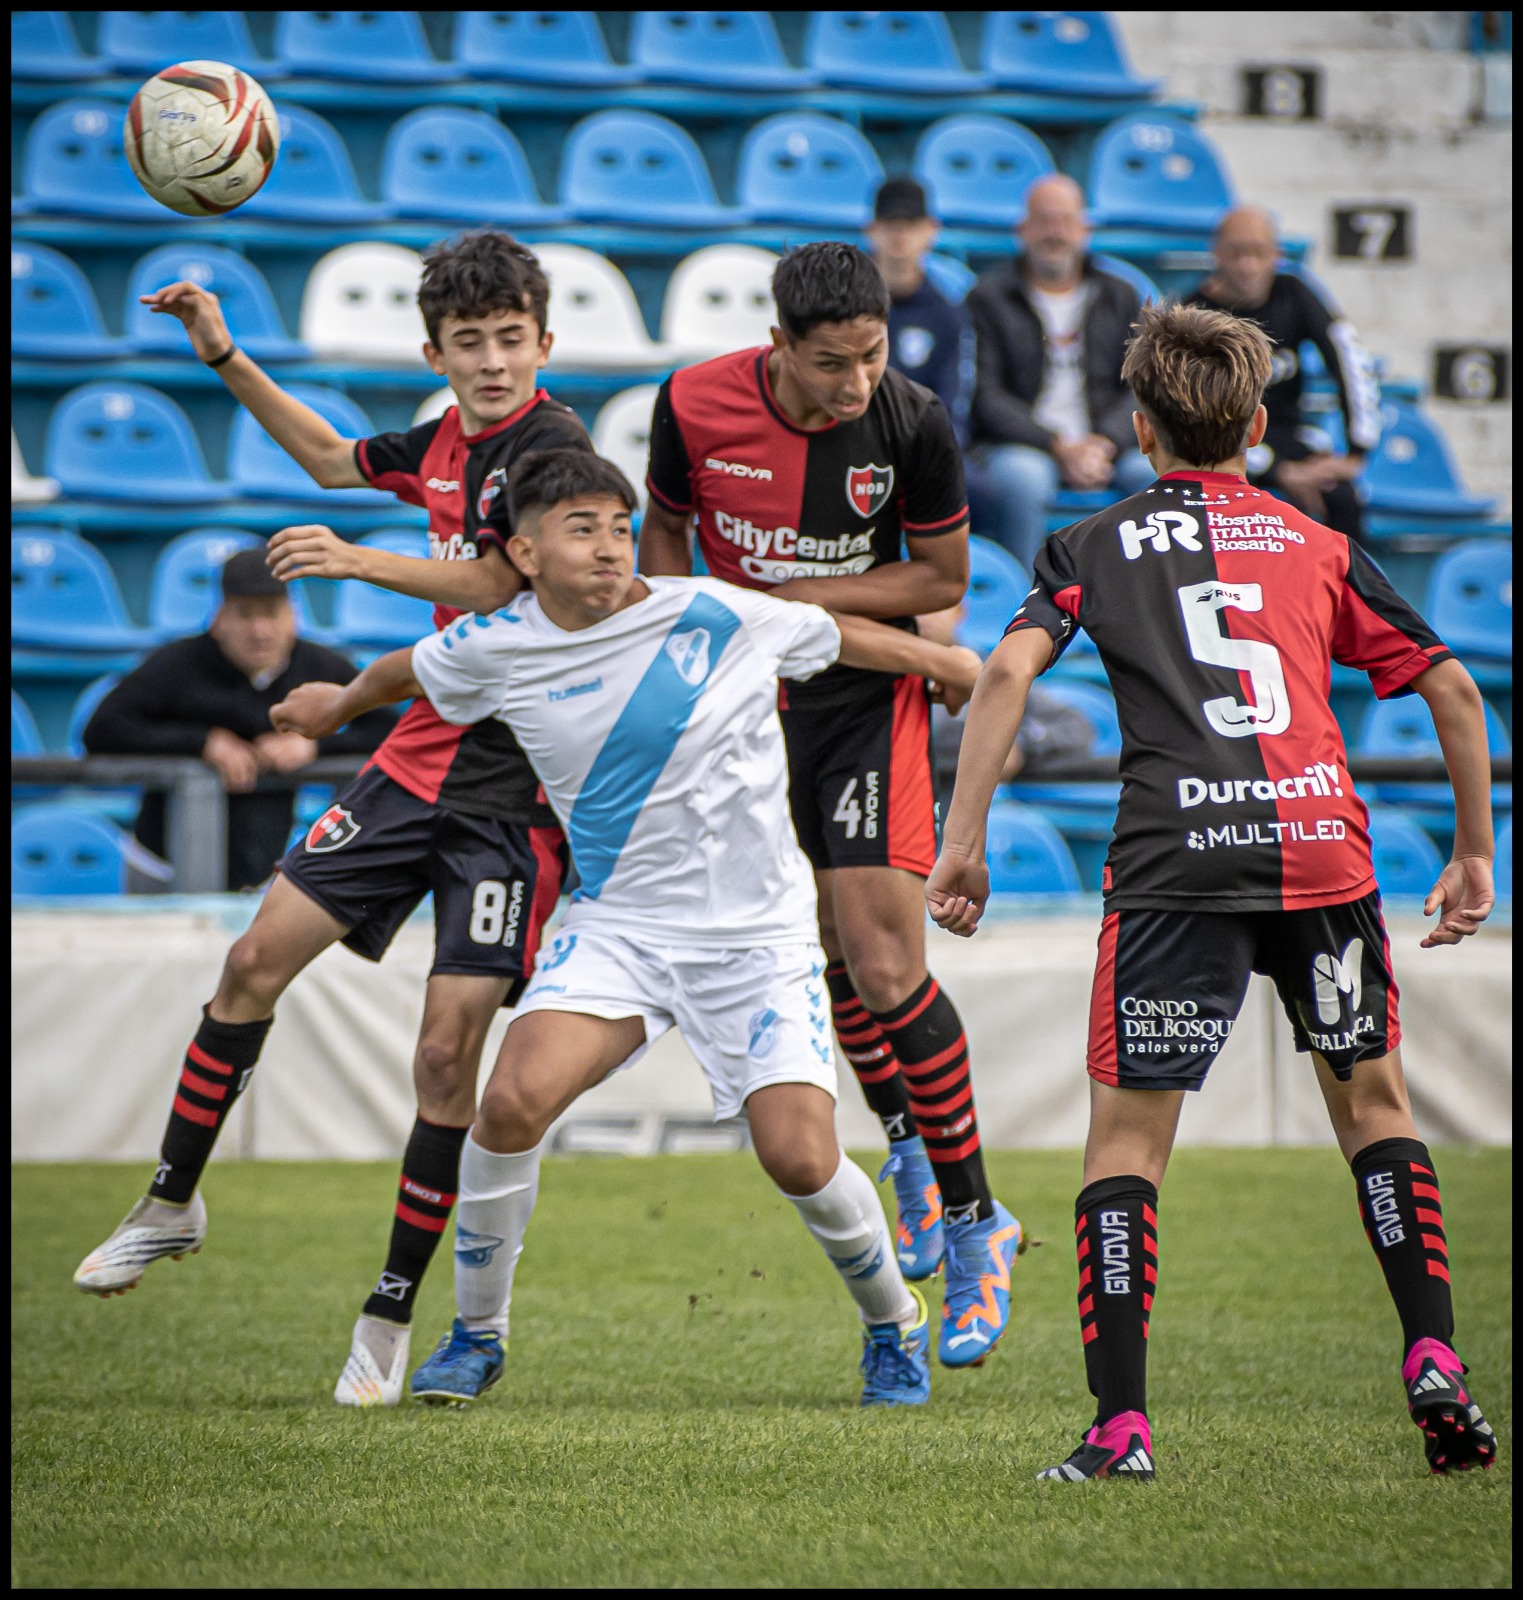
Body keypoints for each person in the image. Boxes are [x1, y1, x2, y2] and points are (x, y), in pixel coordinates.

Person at [272, 448, 990, 1407]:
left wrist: (945, 659)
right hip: (619, 929)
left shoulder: (710, 608)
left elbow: (836, 635)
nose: (612, 546)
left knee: (801, 1158)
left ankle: (890, 1320)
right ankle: (477, 1334)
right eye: (582, 530)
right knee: (511, 1101)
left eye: (617, 525)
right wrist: (336, 703)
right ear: (522, 554)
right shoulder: (497, 644)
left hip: (756, 942)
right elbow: (409, 668)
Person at [927, 303, 1499, 1482]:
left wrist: (962, 841)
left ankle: (1120, 1427)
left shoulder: (1090, 544)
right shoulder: (1313, 541)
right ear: (1250, 422)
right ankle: (1432, 1357)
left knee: (1127, 1145)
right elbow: (1450, 692)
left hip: (1173, 866)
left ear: (1138, 429)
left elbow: (1000, 674)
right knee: (1376, 1113)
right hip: (1318, 854)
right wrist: (1472, 852)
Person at [72, 229, 595, 1412]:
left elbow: (511, 585)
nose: (494, 361)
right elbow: (324, 455)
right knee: (252, 959)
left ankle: (389, 1312)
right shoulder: (446, 441)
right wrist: (223, 356)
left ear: (543, 343)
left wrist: (356, 562)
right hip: (415, 762)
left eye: (512, 340)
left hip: (512, 795)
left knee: (445, 1050)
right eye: (471, 343)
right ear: (437, 352)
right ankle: (172, 1200)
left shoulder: (553, 447)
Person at [640, 241, 1026, 1371]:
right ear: (775, 346)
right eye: (828, 364)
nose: (853, 383)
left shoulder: (908, 420)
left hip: (861, 697)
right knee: (821, 955)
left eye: (867, 357)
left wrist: (800, 597)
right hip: (743, 708)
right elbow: (665, 530)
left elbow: (942, 581)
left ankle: (974, 1220)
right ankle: (905, 1141)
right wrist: (694, 619)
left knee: (884, 962)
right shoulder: (690, 401)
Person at [82, 548, 393, 890]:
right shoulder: (178, 663)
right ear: (219, 620)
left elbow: (389, 727)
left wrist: (314, 747)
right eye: (245, 614)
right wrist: (204, 742)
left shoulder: (319, 666)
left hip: (264, 871)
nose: (260, 630)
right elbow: (103, 729)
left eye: (271, 613)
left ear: (292, 618)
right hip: (163, 865)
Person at [963, 174, 1155, 570]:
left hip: (1106, 444)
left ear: (1085, 229)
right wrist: (1057, 445)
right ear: (1022, 229)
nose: (1055, 232)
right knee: (1023, 480)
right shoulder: (988, 297)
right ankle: (1024, 606)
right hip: (1024, 446)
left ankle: (1143, 606)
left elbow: (1141, 387)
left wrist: (1104, 442)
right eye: (1044, 221)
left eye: (1065, 221)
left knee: (1153, 473)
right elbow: (987, 396)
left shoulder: (1119, 296)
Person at [1184, 205, 1381, 543]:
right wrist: (1279, 472)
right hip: (1223, 449)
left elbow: (1347, 357)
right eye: (1237, 253)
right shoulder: (1193, 314)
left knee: (1342, 497)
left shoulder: (1293, 292)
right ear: (1216, 253)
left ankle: (1347, 595)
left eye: (1259, 252)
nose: (1249, 265)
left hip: (1288, 435)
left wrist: (1356, 451)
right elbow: (1194, 419)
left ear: (1276, 253)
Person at [866, 176, 974, 441]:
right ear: (872, 230)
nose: (901, 235)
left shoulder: (947, 313)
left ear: (931, 230)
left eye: (911, 225)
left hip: (922, 443)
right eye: (891, 224)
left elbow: (951, 398)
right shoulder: (844, 304)